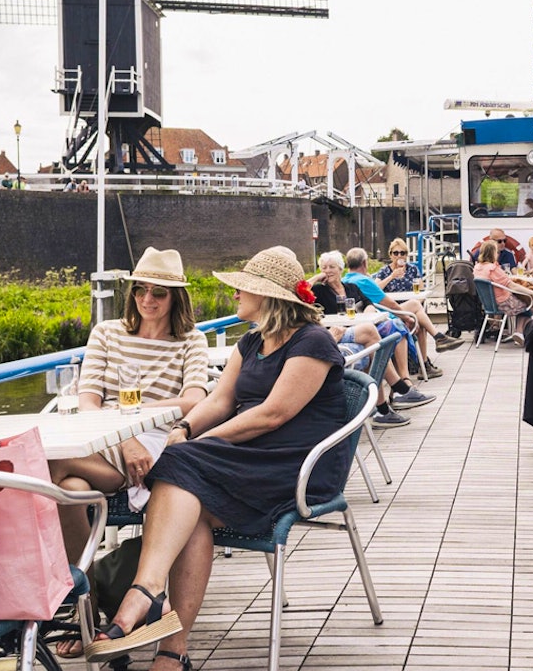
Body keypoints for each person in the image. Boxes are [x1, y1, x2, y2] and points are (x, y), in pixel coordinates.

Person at [84, 247, 355, 669]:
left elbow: (272, 414)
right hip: (248, 460)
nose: (234, 295)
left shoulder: (312, 341)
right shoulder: (251, 341)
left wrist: (195, 445)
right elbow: (220, 400)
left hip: (295, 466)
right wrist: (186, 428)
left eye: (243, 288)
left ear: (267, 297)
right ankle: (172, 653)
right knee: (190, 501)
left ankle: (146, 591)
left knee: (179, 464)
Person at [48, 248, 210, 659]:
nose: (147, 300)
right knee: (68, 488)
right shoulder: (107, 333)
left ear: (176, 298)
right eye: (141, 290)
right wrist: (122, 432)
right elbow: (87, 400)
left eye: (159, 293)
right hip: (108, 441)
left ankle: (77, 607)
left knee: (46, 465)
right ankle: (90, 608)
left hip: (158, 444)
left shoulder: (191, 340)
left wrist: (131, 417)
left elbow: (193, 401)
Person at [309, 250, 433, 424]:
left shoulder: (350, 287)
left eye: (331, 267)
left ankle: (383, 409)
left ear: (340, 268)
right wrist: (316, 277)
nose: (328, 270)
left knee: (379, 340)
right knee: (370, 333)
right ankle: (399, 387)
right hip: (338, 332)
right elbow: (301, 292)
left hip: (356, 329)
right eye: (324, 267)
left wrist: (368, 310)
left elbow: (367, 302)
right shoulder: (319, 290)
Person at [342, 247, 463, 378]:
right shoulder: (367, 279)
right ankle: (435, 344)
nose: (399, 255)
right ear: (365, 263)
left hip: (373, 316)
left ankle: (434, 347)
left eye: (402, 253)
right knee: (415, 307)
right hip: (384, 316)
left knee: (418, 314)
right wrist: (406, 317)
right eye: (396, 253)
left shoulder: (345, 280)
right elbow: (390, 303)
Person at [473, 240, 533, 345]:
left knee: (523, 300)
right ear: (493, 253)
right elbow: (511, 285)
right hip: (503, 303)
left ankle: (518, 333)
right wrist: (532, 293)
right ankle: (519, 331)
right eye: (497, 252)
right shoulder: (493, 269)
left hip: (488, 304)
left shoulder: (477, 267)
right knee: (529, 304)